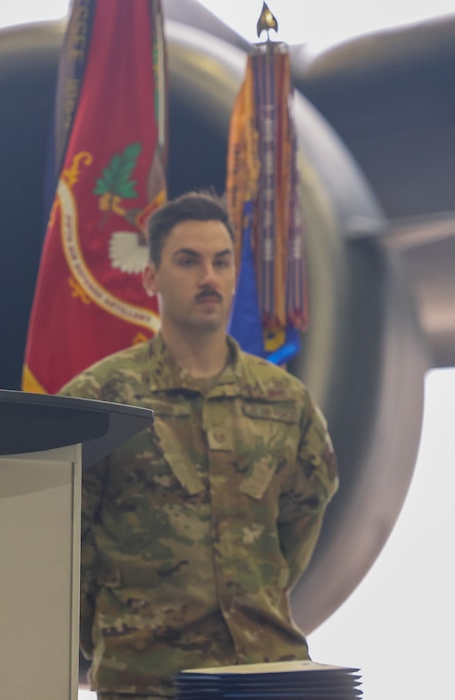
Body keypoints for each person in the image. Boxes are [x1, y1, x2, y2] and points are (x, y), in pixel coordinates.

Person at [59, 191, 338, 699]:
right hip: (150, 680)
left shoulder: (285, 400)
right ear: (151, 278)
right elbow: (64, 542)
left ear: (235, 276)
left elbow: (299, 523)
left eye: (221, 262)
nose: (208, 277)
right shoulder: (101, 399)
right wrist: (117, 633)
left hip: (268, 675)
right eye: (188, 261)